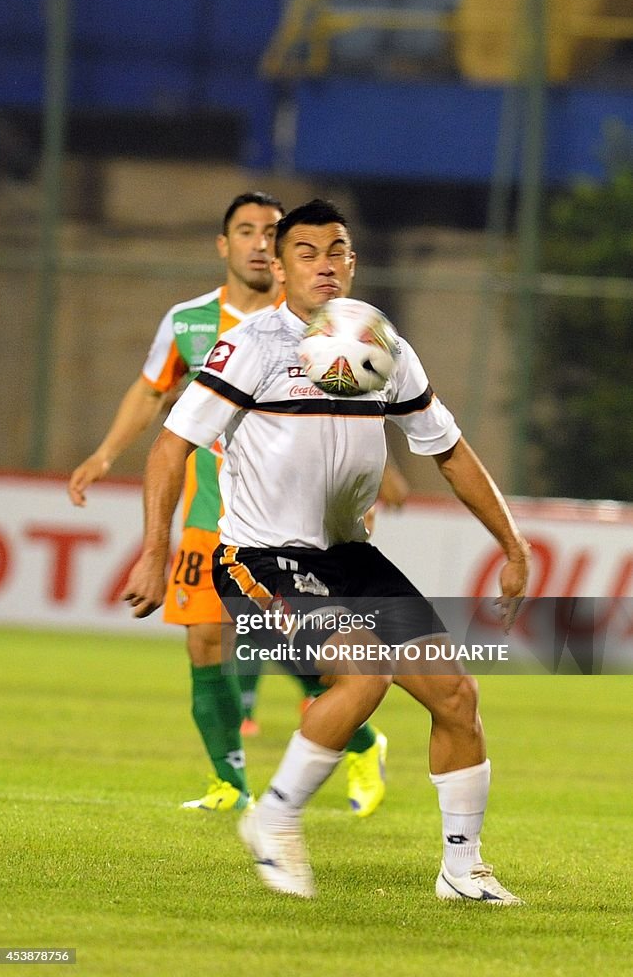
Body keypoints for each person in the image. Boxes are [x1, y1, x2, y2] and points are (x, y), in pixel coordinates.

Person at [123, 198, 530, 902]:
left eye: (336, 250)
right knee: (364, 673)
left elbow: (451, 451)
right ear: (279, 267)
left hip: (349, 555)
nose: (324, 263)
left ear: (353, 262)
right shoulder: (252, 344)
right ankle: (273, 818)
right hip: (262, 557)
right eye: (305, 251)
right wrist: (154, 553)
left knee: (457, 697)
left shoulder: (380, 344)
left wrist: (512, 543)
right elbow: (169, 447)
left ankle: (463, 871)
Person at [69, 191, 398, 818]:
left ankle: (359, 738)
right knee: (205, 642)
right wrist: (107, 454)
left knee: (290, 644)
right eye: (244, 230)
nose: (256, 241)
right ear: (226, 246)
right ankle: (229, 782)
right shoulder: (190, 323)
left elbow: (354, 410)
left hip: (288, 524)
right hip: (207, 512)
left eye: (268, 231)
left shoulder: (324, 330)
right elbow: (149, 394)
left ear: (280, 254)